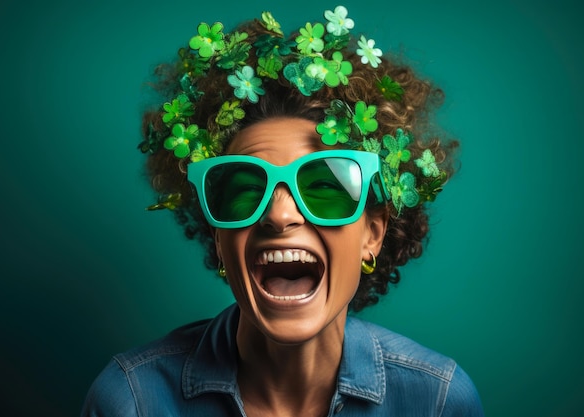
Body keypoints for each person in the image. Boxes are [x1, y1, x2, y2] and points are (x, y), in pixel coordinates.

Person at [81, 5, 484, 416]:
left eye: (325, 187)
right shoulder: (131, 401)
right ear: (219, 241)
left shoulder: (438, 401)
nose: (280, 215)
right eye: (245, 190)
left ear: (372, 235)